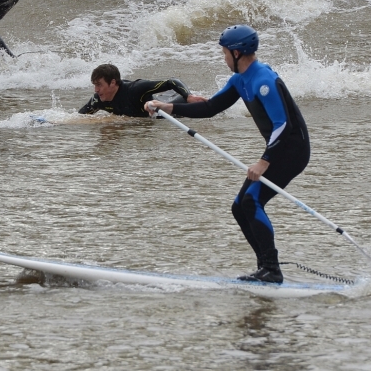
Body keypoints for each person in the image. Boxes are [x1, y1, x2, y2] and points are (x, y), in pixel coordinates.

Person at [145, 25, 310, 284]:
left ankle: (271, 270)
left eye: (224, 53)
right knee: (239, 207)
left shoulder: (263, 80)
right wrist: (168, 107)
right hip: (277, 149)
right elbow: (211, 107)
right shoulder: (240, 79)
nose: (223, 58)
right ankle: (265, 268)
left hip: (292, 150)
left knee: (250, 202)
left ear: (236, 53)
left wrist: (264, 161)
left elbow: (282, 125)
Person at [78, 64, 207, 117]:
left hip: (168, 108)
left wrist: (189, 95)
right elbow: (80, 117)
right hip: (152, 109)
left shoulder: (135, 88)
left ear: (112, 83)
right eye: (94, 85)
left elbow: (172, 81)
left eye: (99, 85)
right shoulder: (98, 100)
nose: (96, 90)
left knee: (193, 104)